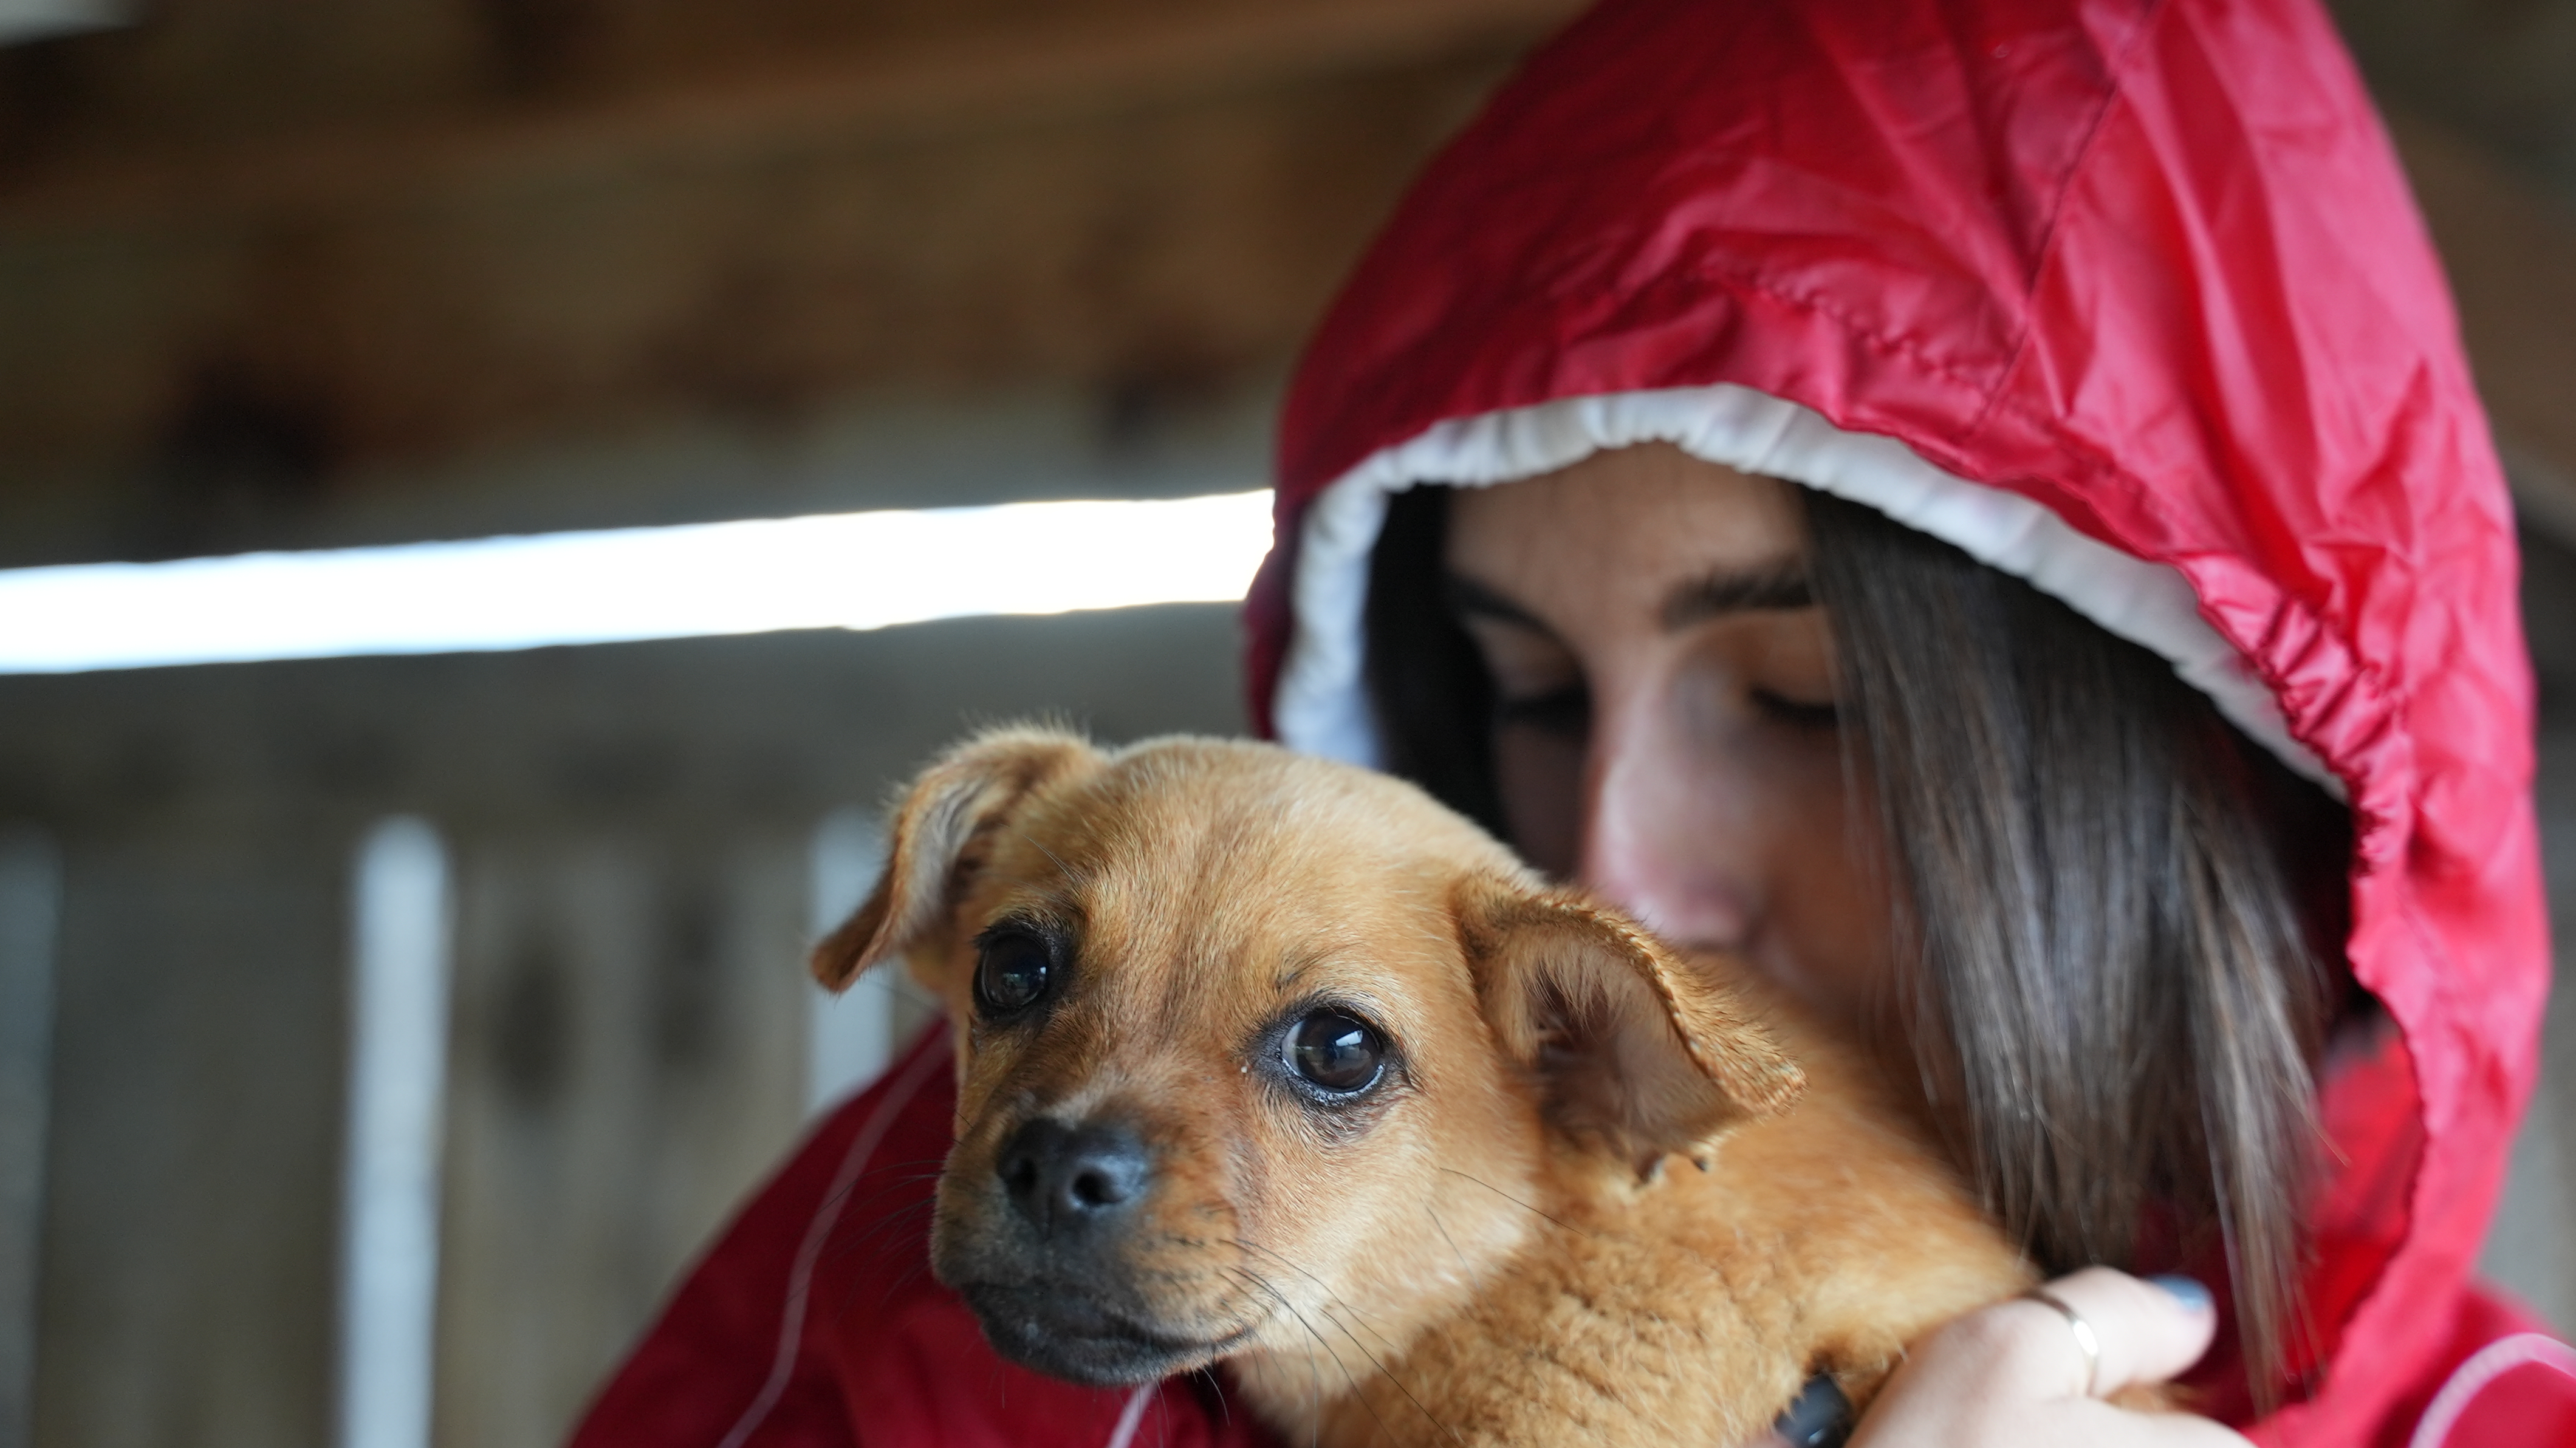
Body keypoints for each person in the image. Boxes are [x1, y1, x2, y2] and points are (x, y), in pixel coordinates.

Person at [569, 0, 2576, 1442]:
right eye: (1525, 691)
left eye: (1802, 706)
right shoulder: (922, 1266)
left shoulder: (2489, 1421)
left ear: (2207, 763)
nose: (1611, 862)